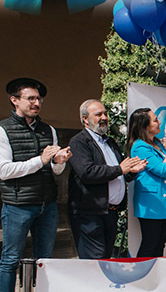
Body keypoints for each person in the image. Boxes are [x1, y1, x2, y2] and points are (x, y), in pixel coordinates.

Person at [0, 78, 71, 292]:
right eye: (30, 98)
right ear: (14, 100)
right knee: (10, 259)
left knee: (45, 260)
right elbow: (4, 171)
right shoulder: (3, 130)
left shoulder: (48, 130)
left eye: (39, 99)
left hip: (47, 204)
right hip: (17, 206)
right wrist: (39, 160)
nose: (36, 103)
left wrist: (59, 162)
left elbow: (54, 171)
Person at [68, 99, 146, 259]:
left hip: (110, 213)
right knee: (94, 263)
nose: (104, 117)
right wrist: (120, 169)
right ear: (85, 119)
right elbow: (87, 172)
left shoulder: (109, 142)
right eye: (98, 114)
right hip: (89, 214)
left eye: (105, 113)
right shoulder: (78, 142)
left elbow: (118, 173)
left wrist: (132, 171)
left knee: (105, 259)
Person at [126, 107, 166, 257]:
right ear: (145, 125)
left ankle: (155, 278)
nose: (159, 122)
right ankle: (141, 278)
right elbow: (163, 170)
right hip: (151, 204)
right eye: (155, 120)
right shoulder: (140, 146)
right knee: (150, 245)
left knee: (159, 246)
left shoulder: (158, 143)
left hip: (164, 203)